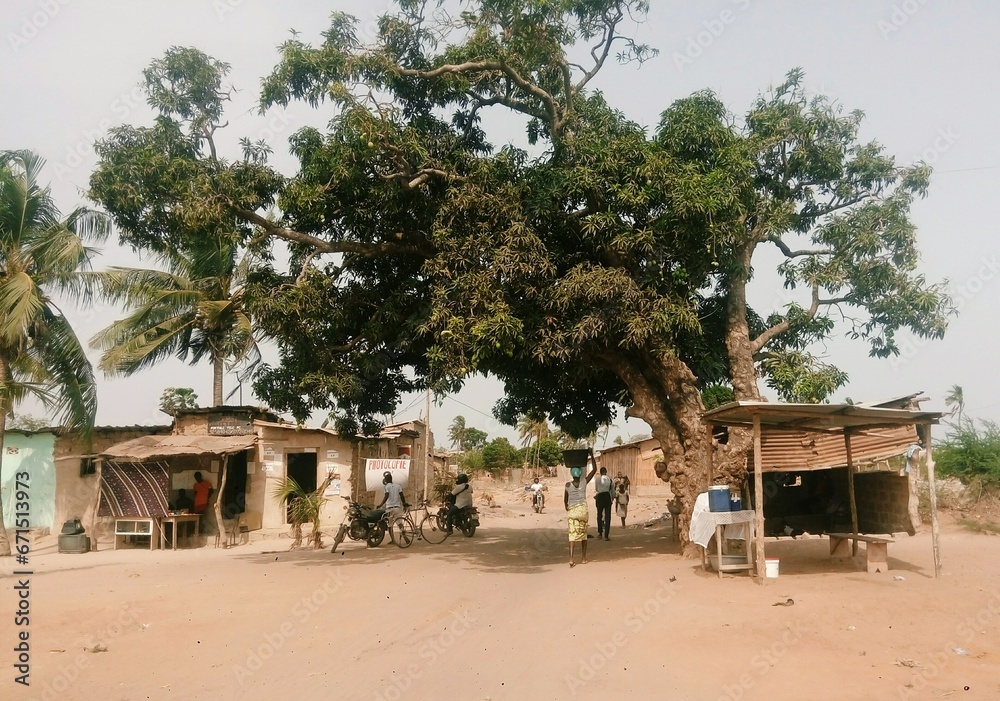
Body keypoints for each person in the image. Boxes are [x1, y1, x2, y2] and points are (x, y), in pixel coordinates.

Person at [564, 452, 598, 567]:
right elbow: (594, 470)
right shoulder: (584, 482)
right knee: (583, 535)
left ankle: (571, 558)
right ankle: (583, 558)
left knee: (572, 535)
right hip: (583, 511)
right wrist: (592, 455)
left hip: (572, 512)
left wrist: (567, 508)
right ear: (580, 474)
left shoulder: (567, 485)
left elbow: (565, 500)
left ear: (572, 474)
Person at [594, 467, 614, 540]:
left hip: (600, 496)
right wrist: (612, 498)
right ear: (606, 471)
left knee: (599, 514)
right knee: (607, 516)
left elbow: (596, 489)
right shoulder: (610, 480)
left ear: (600, 472)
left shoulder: (597, 479)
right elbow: (612, 491)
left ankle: (600, 533)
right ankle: (606, 535)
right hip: (607, 496)